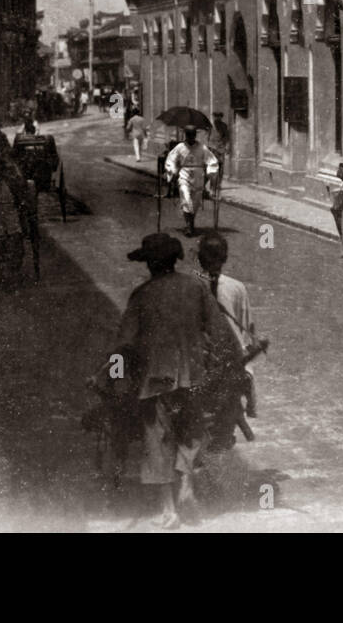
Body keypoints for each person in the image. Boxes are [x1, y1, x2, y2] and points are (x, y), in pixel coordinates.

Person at [111, 231, 240, 529]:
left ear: (150, 265)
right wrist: (225, 367)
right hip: (193, 377)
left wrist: (115, 377)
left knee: (157, 442)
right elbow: (222, 335)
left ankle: (168, 511)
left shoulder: (141, 296)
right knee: (191, 434)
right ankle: (187, 487)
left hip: (154, 382)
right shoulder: (195, 288)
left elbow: (123, 345)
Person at [196, 232, 257, 431]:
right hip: (232, 363)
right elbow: (248, 331)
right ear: (225, 258)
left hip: (201, 361)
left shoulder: (191, 285)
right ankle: (248, 406)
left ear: (199, 258)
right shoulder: (236, 287)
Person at [165, 125, 221, 237]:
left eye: (193, 135)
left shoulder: (202, 148)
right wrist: (173, 169)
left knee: (195, 203)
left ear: (195, 135)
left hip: (198, 177)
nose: (191, 137)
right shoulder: (180, 147)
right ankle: (189, 226)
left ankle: (191, 223)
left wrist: (210, 172)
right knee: (186, 198)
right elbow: (171, 160)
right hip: (184, 175)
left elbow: (211, 161)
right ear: (186, 135)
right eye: (189, 135)